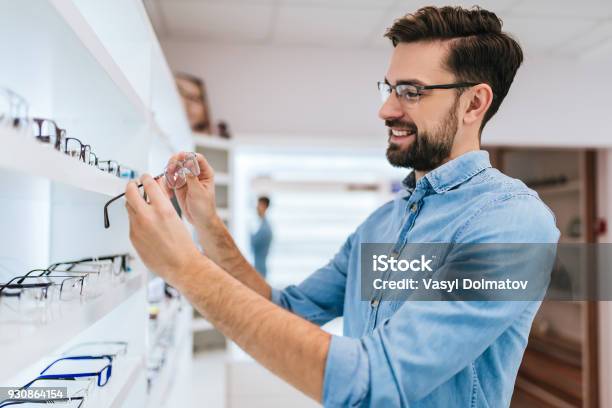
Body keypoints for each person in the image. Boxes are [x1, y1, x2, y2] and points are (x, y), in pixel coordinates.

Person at [124, 6, 559, 407]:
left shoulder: (513, 223)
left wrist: (184, 268)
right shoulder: (382, 223)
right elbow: (286, 308)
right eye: (389, 89)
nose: (386, 110)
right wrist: (207, 224)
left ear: (473, 103)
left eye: (410, 92)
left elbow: (375, 380)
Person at [250, 196, 273, 278]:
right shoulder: (262, 225)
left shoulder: (265, 228)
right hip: (258, 267)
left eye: (259, 204)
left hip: (260, 269)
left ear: (264, 206)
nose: (256, 207)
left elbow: (254, 243)